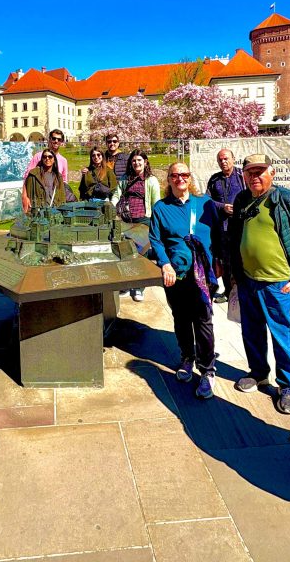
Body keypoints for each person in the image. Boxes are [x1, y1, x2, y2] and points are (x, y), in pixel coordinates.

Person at [227, 154, 290, 414]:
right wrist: (235, 272)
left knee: (280, 334)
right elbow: (235, 237)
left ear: (272, 173)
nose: (255, 176)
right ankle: (258, 373)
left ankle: (287, 384)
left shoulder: (288, 200)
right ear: (243, 175)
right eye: (250, 172)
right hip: (247, 280)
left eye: (260, 171)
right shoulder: (242, 199)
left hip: (277, 284)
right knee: (251, 332)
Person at [149, 162, 221, 399]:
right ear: (168, 180)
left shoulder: (205, 205)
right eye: (175, 175)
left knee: (203, 321)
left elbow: (218, 234)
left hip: (201, 274)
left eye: (184, 174)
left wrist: (219, 261)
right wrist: (165, 263)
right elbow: (156, 240)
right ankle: (187, 357)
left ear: (190, 178)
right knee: (181, 318)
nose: (180, 178)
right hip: (176, 274)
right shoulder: (161, 207)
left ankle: (208, 369)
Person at [113, 150, 160, 301]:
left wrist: (155, 221)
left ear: (145, 162)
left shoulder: (151, 180)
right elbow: (116, 195)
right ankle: (127, 284)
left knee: (142, 253)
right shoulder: (125, 179)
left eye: (139, 160)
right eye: (134, 161)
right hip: (126, 220)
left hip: (143, 220)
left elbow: (156, 203)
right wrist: (112, 207)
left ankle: (139, 287)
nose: (136, 163)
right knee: (125, 252)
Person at [205, 148, 244, 304]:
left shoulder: (242, 177)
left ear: (233, 159)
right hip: (223, 228)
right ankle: (228, 293)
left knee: (242, 261)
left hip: (242, 227)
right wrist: (222, 207)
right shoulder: (214, 180)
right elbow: (207, 201)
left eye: (226, 158)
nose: (223, 162)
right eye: (220, 159)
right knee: (226, 262)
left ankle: (242, 291)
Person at [22, 148, 66, 212]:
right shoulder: (34, 174)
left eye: (50, 157)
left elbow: (62, 197)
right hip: (39, 213)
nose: (47, 158)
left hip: (55, 212)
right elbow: (28, 195)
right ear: (42, 159)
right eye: (44, 157)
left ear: (54, 160)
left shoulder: (58, 176)